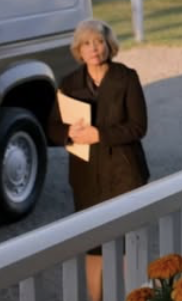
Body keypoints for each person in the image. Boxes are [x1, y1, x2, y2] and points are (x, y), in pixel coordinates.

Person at [47, 19, 150, 301]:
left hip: (124, 174)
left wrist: (99, 134)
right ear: (79, 50)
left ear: (109, 46)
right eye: (87, 43)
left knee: (128, 243)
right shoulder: (69, 83)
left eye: (99, 42)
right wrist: (69, 131)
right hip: (86, 176)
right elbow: (52, 127)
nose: (94, 48)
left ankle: (134, 297)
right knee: (94, 246)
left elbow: (138, 127)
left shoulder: (126, 77)